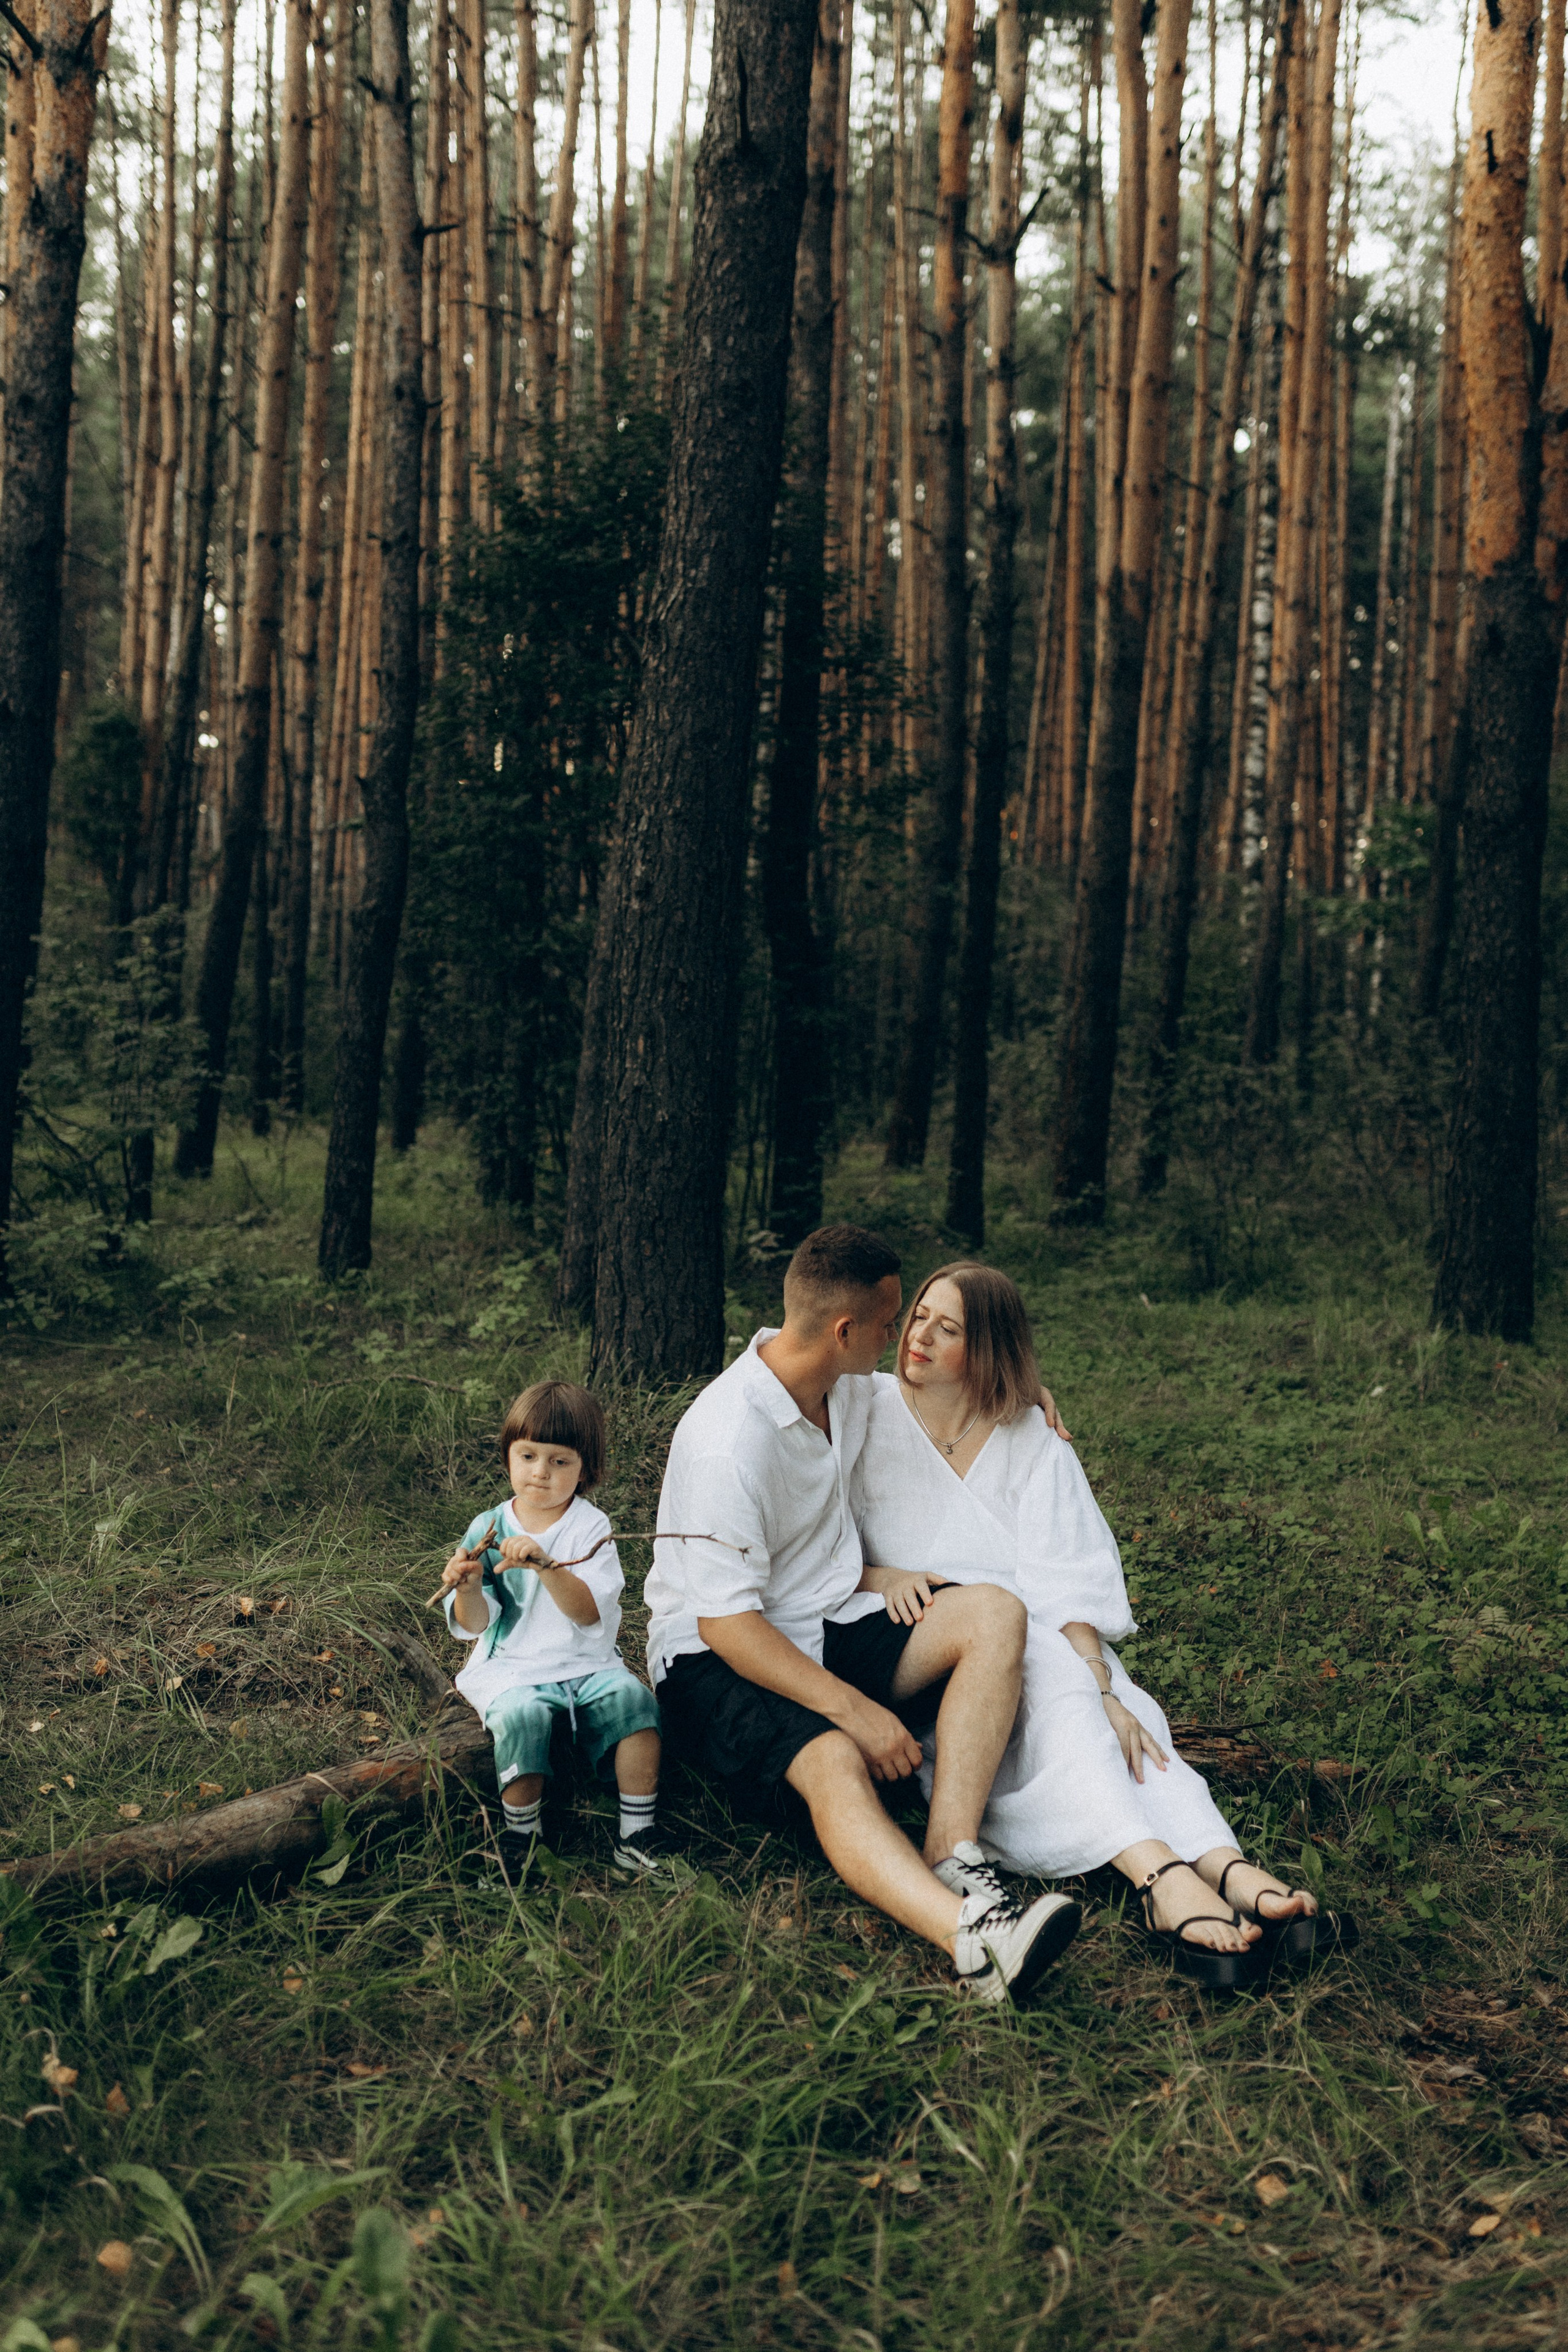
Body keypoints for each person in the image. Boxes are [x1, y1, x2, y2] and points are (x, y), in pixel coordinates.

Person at [851, 1263, 1357, 1989]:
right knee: (1058, 1682)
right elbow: (812, 1544)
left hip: (1036, 1647)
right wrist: (885, 1578)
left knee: (1125, 1713)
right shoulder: (861, 1410)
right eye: (918, 1316)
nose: (918, 1337)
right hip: (927, 1653)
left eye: (948, 1327)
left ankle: (1223, 1864)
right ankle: (1160, 1878)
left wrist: (1102, 1687)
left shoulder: (1028, 1434)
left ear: (988, 1347)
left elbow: (1068, 1576)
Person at [645, 1224, 1081, 2008]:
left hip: (827, 1617)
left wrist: (1022, 1402)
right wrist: (859, 1714)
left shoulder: (840, 1383)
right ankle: (974, 1943)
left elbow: (938, 1390)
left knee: (993, 1614)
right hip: (716, 1658)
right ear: (846, 1332)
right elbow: (725, 1626)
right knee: (836, 1759)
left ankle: (953, 1852)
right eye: (890, 1325)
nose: (901, 1338)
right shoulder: (726, 1444)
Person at [439, 1379, 671, 1879]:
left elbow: (589, 1614)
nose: (540, 1473)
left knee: (636, 1703)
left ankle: (637, 1834)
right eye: (527, 1456)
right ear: (508, 1457)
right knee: (522, 1716)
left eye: (559, 1461)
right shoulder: (490, 1528)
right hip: (514, 1666)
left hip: (585, 1661)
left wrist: (547, 1565)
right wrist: (468, 1588)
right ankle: (523, 1842)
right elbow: (476, 1625)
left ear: (585, 1467)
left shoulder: (590, 1528)